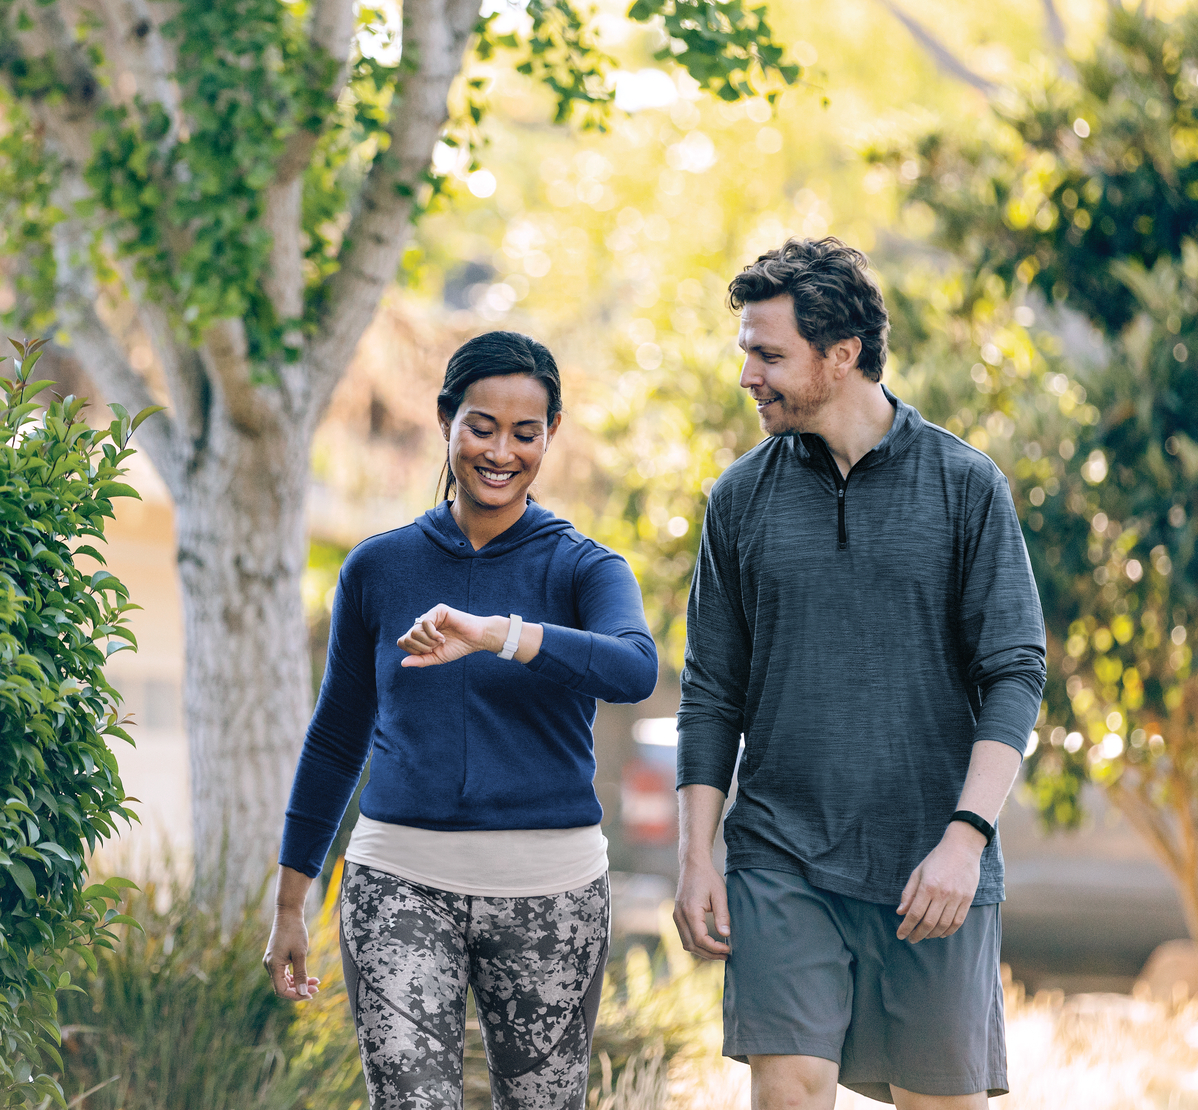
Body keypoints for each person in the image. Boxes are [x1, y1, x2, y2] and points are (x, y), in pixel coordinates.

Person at [674, 238, 1047, 1110]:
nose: (748, 376)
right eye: (746, 352)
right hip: (782, 855)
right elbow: (710, 690)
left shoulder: (964, 485)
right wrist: (698, 855)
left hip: (932, 860)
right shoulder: (738, 499)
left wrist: (966, 839)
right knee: (791, 1090)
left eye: (769, 354)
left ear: (841, 355)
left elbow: (1016, 672)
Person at [266, 329, 659, 1110]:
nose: (501, 451)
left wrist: (496, 634)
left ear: (551, 435)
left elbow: (633, 667)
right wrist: (289, 900)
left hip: (552, 890)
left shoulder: (585, 567)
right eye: (481, 425)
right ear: (446, 418)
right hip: (401, 883)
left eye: (527, 432)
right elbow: (338, 736)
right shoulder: (378, 567)